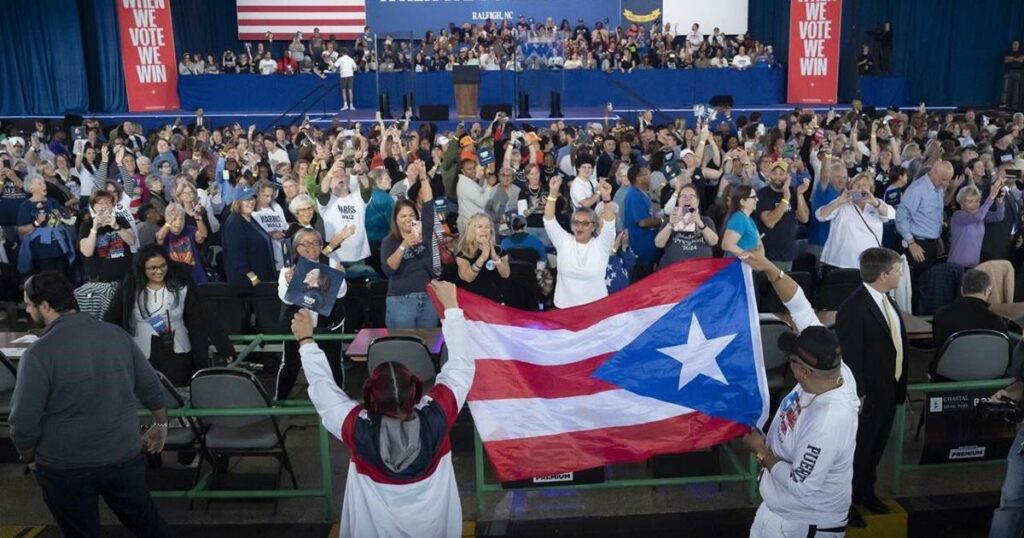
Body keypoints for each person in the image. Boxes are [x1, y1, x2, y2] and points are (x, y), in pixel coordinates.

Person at [296, 280, 472, 537]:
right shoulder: (438, 416)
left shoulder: (358, 429)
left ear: (370, 395)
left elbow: (323, 389)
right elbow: (462, 366)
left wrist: (306, 339)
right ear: (415, 389)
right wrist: (452, 308)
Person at [9, 271, 171, 537]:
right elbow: (151, 387)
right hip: (124, 455)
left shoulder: (39, 354)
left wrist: (29, 458)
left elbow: (22, 424)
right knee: (148, 525)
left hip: (65, 465)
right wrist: (160, 424)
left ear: (45, 306)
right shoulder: (116, 336)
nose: (26, 310)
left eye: (29, 304)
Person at [739, 251, 860, 538]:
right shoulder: (831, 363)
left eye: (791, 359)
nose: (787, 363)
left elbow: (800, 483)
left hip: (802, 525)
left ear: (804, 372)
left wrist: (760, 451)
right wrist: (770, 268)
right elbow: (800, 306)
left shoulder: (828, 422)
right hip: (779, 511)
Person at [833, 247, 909, 526]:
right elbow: (851, 356)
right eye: (898, 270)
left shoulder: (888, 301)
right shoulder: (853, 307)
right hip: (867, 395)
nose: (901, 274)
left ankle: (866, 492)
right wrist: (859, 393)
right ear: (884, 274)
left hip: (889, 389)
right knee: (858, 449)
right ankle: (845, 503)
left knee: (876, 447)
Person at [105, 245, 226, 386]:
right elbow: (111, 318)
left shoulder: (181, 286)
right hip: (142, 351)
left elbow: (202, 317)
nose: (159, 271)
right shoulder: (130, 288)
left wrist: (225, 348)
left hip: (178, 349)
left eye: (163, 265)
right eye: (152, 268)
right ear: (142, 269)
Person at [276, 228, 347, 400]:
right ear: (296, 248)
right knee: (290, 364)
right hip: (297, 323)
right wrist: (288, 282)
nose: (310, 247)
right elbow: (285, 299)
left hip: (328, 324)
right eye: (304, 244)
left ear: (321, 245)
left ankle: (339, 401)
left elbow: (341, 293)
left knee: (334, 363)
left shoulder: (331, 263)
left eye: (315, 243)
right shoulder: (289, 267)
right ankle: (279, 401)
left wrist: (339, 278)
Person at [543, 175, 616, 308]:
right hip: (564, 310)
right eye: (576, 222)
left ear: (594, 226)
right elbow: (549, 221)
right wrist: (553, 194)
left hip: (595, 310)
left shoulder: (601, 245)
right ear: (571, 226)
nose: (579, 226)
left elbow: (610, 226)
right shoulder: (563, 242)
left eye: (585, 223)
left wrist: (606, 199)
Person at [931, 269, 1008, 372]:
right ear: (987, 291)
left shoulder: (941, 314)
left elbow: (938, 345)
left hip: (948, 376)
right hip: (989, 376)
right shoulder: (997, 317)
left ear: (962, 290)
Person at [816, 173, 895, 271]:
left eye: (864, 185)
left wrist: (875, 203)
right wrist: (838, 202)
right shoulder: (841, 202)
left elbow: (891, 215)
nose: (860, 187)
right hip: (839, 262)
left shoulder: (877, 203)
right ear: (851, 187)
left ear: (870, 189)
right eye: (857, 184)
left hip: (869, 263)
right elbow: (820, 215)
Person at [381, 197, 439, 328]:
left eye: (412, 215)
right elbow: (388, 269)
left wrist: (423, 177)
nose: (408, 219)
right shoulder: (389, 241)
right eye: (403, 216)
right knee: (404, 344)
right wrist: (403, 245)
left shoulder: (425, 236)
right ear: (396, 219)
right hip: (401, 300)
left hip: (428, 298)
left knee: (428, 345)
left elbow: (428, 202)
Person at [895, 160, 953, 280]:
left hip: (931, 243)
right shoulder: (917, 189)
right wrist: (911, 243)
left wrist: (937, 238)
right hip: (917, 244)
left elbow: (934, 215)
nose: (947, 183)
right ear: (934, 173)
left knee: (928, 282)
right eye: (944, 179)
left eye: (948, 180)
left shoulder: (938, 186)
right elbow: (901, 217)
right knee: (919, 283)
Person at [756, 160, 810, 271]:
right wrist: (785, 199)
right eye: (774, 173)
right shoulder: (762, 194)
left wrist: (799, 195)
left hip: (787, 253)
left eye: (782, 174)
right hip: (768, 254)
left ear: (788, 176)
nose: (777, 177)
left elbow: (804, 218)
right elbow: (769, 222)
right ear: (770, 174)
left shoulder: (792, 191)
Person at [222, 186, 276, 288]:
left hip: (262, 277)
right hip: (248, 283)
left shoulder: (249, 218)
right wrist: (253, 279)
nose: (251, 202)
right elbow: (236, 256)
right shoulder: (234, 223)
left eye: (252, 198)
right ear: (237, 202)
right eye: (246, 199)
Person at [656, 183, 718, 267]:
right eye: (683, 196)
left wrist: (701, 224)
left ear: (698, 202)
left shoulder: (706, 220)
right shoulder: (669, 220)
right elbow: (658, 244)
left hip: (700, 270)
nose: (687, 199)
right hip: (673, 271)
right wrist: (670, 225)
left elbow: (714, 242)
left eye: (692, 196)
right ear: (678, 201)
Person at [454, 213, 510, 303]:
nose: (484, 231)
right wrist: (482, 258)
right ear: (471, 231)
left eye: (487, 227)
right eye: (480, 227)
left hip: (497, 303)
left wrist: (495, 258)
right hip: (475, 305)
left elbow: (506, 274)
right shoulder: (463, 255)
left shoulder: (499, 251)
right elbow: (468, 277)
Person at [949, 181, 1005, 268]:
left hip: (974, 264)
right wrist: (991, 197)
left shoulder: (980, 213)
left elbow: (999, 216)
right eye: (970, 202)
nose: (975, 205)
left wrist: (999, 201)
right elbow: (977, 217)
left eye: (977, 201)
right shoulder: (958, 215)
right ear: (962, 203)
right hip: (957, 263)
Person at [721, 185, 763, 258]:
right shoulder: (739, 218)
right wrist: (751, 255)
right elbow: (727, 245)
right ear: (742, 201)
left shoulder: (749, 219)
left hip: (746, 266)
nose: (757, 199)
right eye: (753, 197)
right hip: (735, 266)